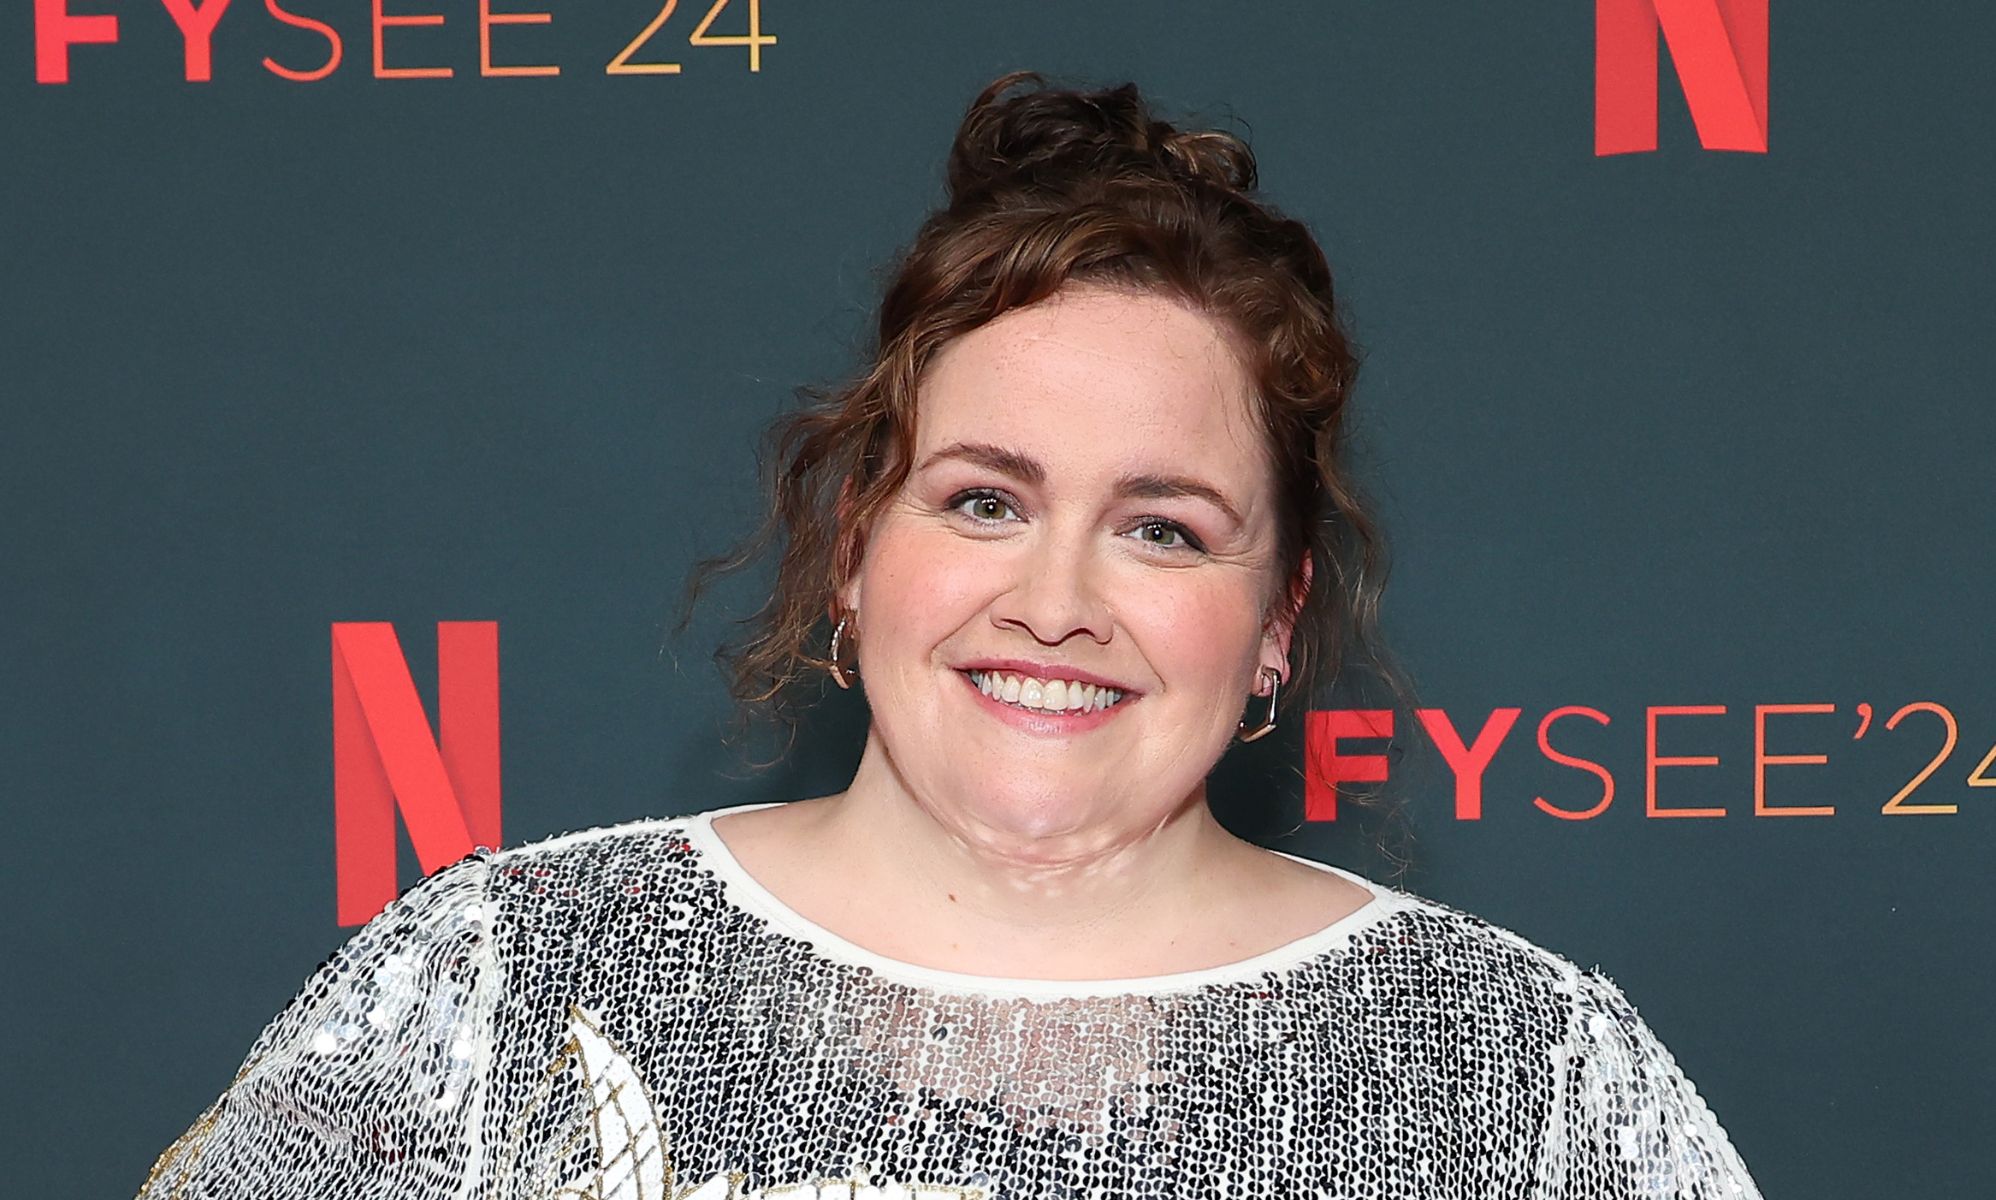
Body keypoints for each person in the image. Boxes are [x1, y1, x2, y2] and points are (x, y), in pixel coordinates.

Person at [137, 73, 1763, 1199]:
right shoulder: (504, 982)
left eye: (1162, 528)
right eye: (985, 500)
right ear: (854, 551)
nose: (1054, 601)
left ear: (1277, 624)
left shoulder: (1519, 1073)